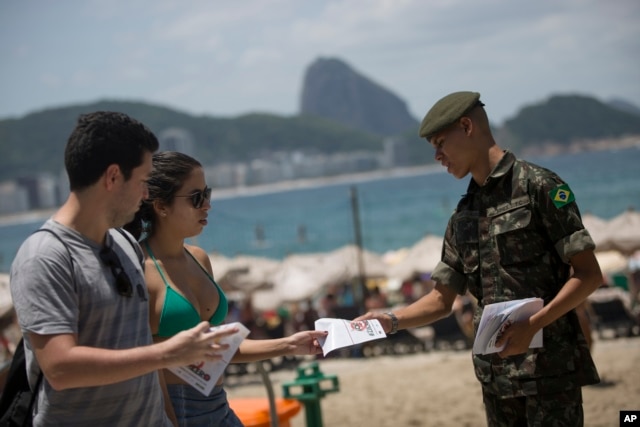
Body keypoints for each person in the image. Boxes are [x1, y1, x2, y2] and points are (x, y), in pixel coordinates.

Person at [356, 92, 603, 426]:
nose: (437, 156)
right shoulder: (463, 216)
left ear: (467, 126)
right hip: (496, 382)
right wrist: (391, 320)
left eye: (440, 143)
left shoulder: (540, 187)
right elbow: (441, 300)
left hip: (550, 377)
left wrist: (534, 324)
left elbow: (588, 275)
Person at [9, 112, 236, 426]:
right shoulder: (45, 256)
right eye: (143, 182)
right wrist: (168, 353)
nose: (146, 196)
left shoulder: (124, 246)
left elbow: (142, 351)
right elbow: (60, 367)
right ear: (113, 178)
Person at [124, 151, 327, 426]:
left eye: (207, 193)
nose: (207, 205)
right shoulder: (138, 267)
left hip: (218, 403)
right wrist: (168, 421)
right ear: (161, 206)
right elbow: (146, 364)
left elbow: (217, 349)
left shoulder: (198, 258)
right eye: (196, 198)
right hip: (176, 409)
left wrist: (289, 344)